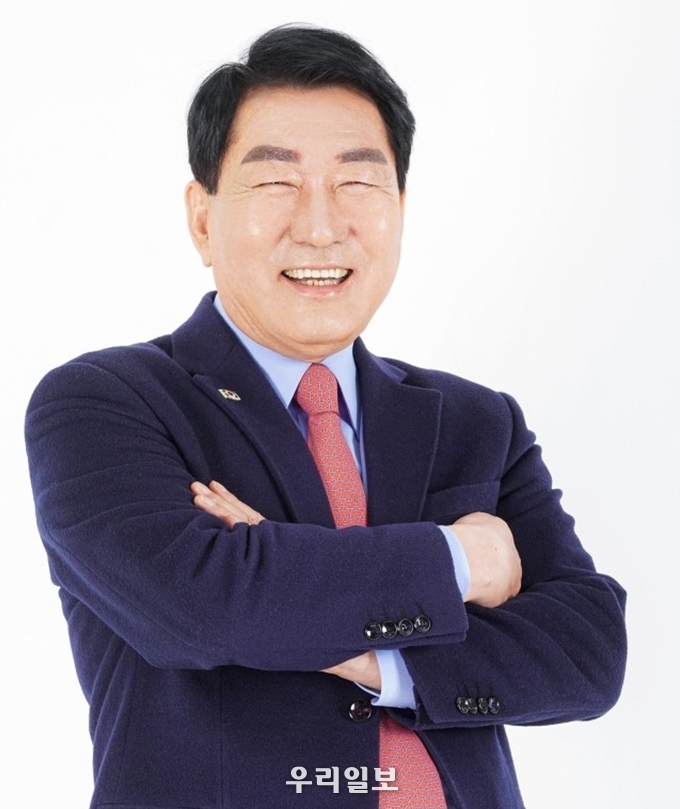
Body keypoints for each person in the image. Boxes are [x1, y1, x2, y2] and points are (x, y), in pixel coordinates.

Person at [25, 23, 627, 809]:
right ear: (202, 218)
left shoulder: (477, 421)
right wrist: (459, 560)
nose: (320, 225)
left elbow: (586, 654)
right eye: (277, 182)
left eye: (358, 182)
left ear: (400, 208)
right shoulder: (103, 402)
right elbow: (202, 608)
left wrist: (371, 657)